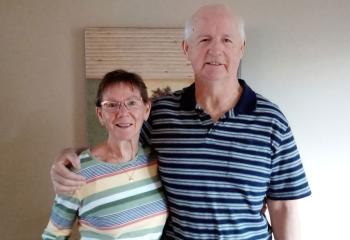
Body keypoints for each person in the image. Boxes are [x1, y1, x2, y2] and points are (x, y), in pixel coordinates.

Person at [50, 4, 311, 240]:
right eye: (204, 39)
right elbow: (118, 152)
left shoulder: (271, 120)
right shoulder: (161, 113)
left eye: (227, 40)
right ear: (187, 49)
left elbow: (285, 207)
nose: (216, 50)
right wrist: (72, 156)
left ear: (241, 48)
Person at [43, 69, 168, 239]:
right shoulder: (79, 171)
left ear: (146, 110)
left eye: (132, 103)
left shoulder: (156, 161)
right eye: (111, 105)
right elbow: (53, 236)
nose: (123, 112)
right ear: (100, 115)